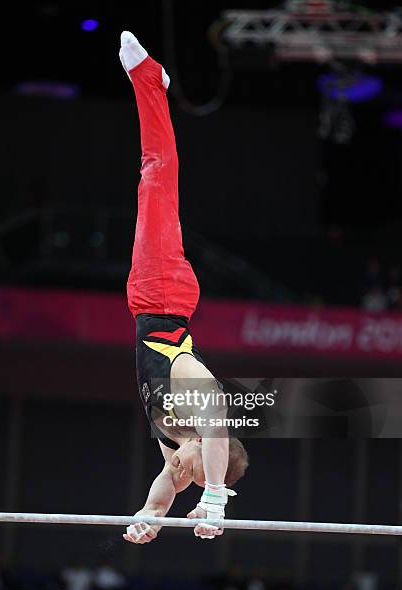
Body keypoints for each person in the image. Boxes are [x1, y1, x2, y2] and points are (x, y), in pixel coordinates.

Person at [119, 31, 248, 544]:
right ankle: (149, 80)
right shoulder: (191, 391)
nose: (181, 474)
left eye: (188, 479)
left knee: (156, 180)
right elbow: (218, 417)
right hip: (164, 294)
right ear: (206, 449)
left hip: (145, 297)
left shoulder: (172, 441)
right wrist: (213, 500)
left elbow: (163, 488)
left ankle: (153, 87)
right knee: (157, 176)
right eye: (195, 473)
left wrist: (148, 520)